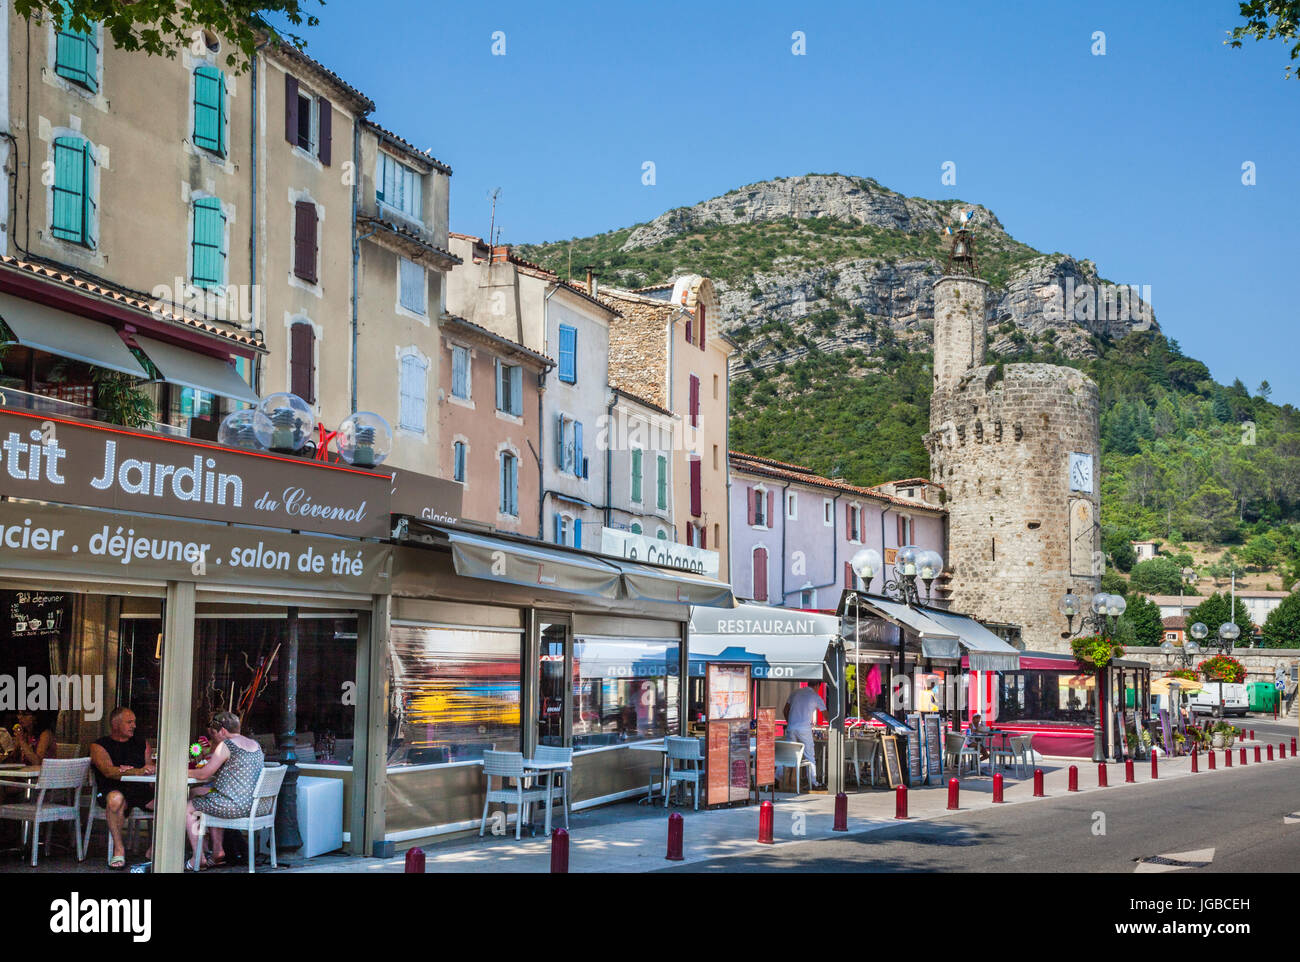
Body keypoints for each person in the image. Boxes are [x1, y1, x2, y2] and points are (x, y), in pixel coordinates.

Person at [186, 711, 265, 869]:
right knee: (204, 795)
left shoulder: (227, 745)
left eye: (215, 732)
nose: (214, 736)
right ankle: (217, 851)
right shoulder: (255, 745)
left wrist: (181, 770)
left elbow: (204, 774)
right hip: (258, 806)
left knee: (188, 808)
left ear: (222, 730)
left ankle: (198, 857)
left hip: (234, 805)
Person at [89, 707, 155, 869]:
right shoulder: (99, 745)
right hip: (112, 789)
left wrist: (139, 771)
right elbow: (108, 771)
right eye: (129, 722)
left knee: (169, 803)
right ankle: (119, 849)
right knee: (115, 800)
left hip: (139, 790)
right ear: (115, 724)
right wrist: (136, 771)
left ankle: (155, 846)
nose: (134, 726)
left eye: (134, 722)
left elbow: (149, 769)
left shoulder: (142, 744)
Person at [783, 684, 827, 789]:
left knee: (787, 755)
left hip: (791, 727)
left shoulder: (795, 692)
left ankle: (778, 778)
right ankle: (813, 782)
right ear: (817, 685)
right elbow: (826, 714)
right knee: (809, 756)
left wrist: (790, 722)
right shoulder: (815, 696)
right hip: (804, 729)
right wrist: (833, 725)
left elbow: (785, 710)